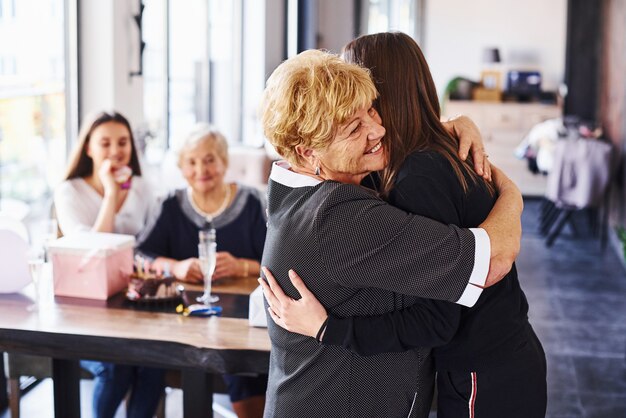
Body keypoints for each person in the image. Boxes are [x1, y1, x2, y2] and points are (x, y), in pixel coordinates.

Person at [260, 32, 547, 418]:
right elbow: (494, 257)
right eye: (352, 128)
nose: (375, 131)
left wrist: (452, 124)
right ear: (307, 151)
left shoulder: (297, 184)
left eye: (371, 110)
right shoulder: (340, 215)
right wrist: (511, 194)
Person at [137, 123, 267, 418]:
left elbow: (280, 262)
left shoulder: (252, 203)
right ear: (182, 168)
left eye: (209, 159)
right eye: (191, 162)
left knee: (241, 367)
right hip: (183, 319)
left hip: (241, 321)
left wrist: (242, 265)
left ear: (224, 161)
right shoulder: (170, 205)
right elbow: (140, 253)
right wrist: (175, 266)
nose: (201, 169)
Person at [54, 110, 164, 418]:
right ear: (88, 147)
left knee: (155, 361)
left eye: (123, 142)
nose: (116, 151)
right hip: (84, 311)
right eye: (105, 143)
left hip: (135, 304)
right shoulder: (70, 191)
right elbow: (92, 252)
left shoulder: (142, 187)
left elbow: (151, 245)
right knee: (115, 366)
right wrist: (112, 193)